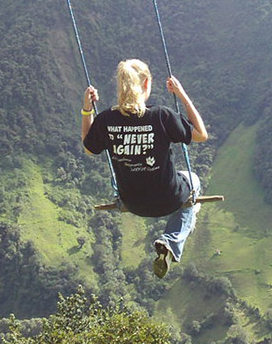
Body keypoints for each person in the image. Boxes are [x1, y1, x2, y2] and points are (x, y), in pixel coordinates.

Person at [81, 59, 208, 278]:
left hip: (133, 202)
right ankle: (170, 241)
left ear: (120, 86)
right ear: (147, 83)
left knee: (125, 183)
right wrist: (181, 94)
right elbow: (200, 134)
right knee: (193, 181)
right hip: (169, 198)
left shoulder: (105, 120)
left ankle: (169, 243)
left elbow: (89, 149)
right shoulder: (162, 116)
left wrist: (86, 110)